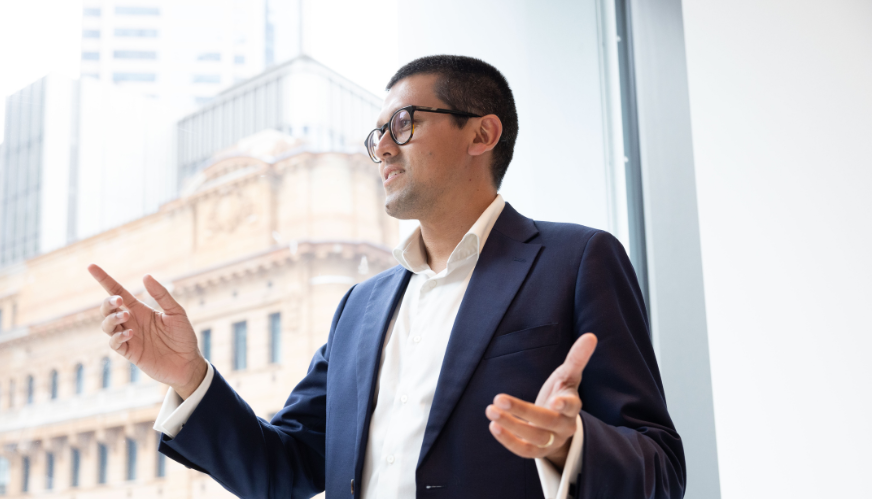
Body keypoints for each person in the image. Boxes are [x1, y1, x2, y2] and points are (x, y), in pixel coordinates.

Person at [88, 55, 684, 499]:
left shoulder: (577, 260)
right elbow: (286, 467)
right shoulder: (361, 306)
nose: (383, 151)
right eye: (377, 137)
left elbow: (661, 466)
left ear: (482, 133)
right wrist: (188, 377)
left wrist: (569, 444)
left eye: (403, 125)